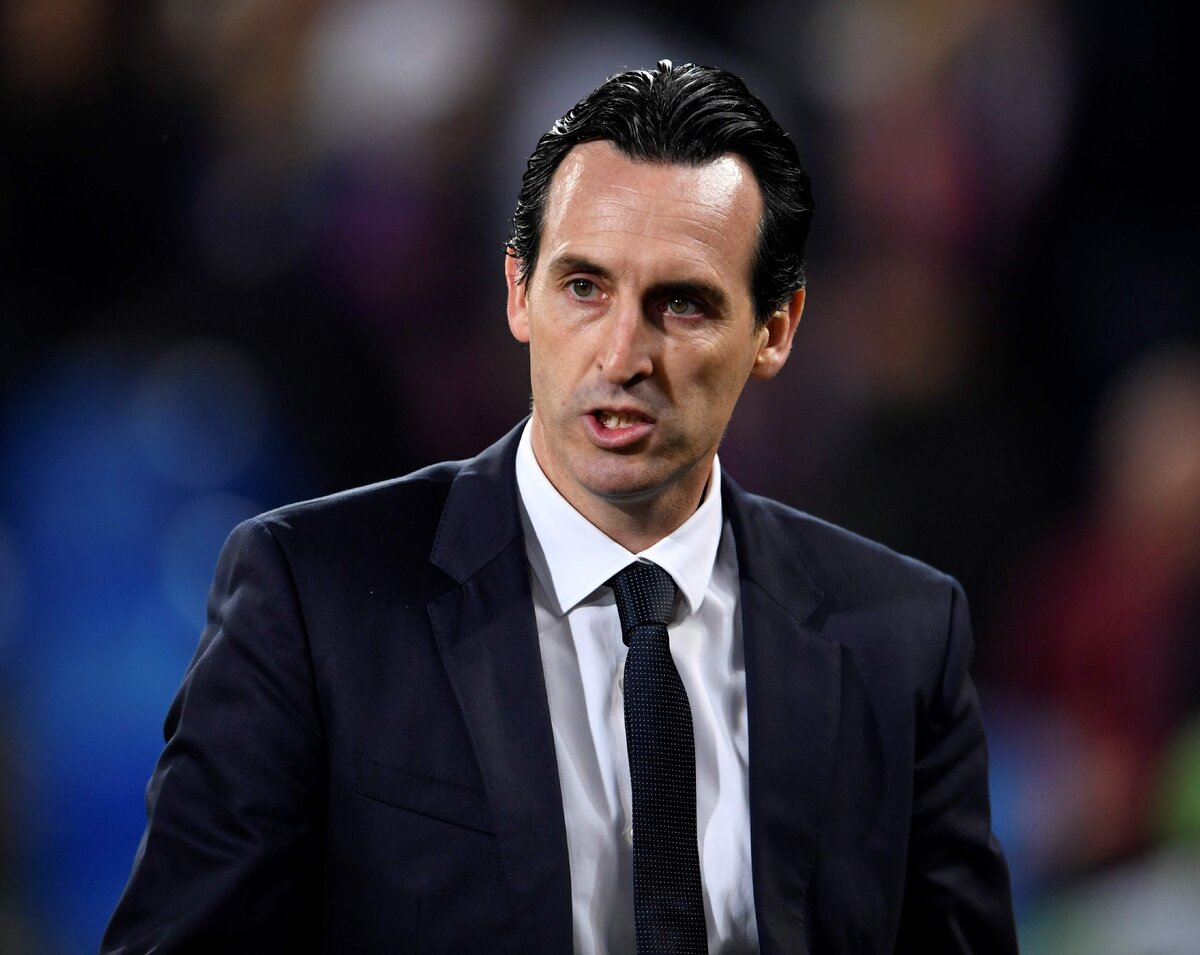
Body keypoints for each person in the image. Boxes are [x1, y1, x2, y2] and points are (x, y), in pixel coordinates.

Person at [102, 61, 1017, 954]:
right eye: (585, 287)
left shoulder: (901, 635)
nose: (622, 356)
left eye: (682, 304)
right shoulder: (314, 597)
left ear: (773, 330)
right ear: (518, 292)